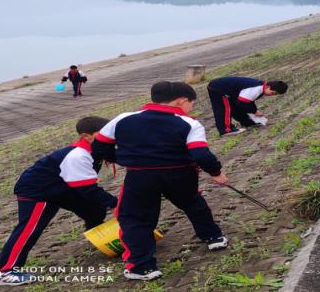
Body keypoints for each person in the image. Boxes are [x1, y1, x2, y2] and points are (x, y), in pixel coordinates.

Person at [92, 81, 229, 281]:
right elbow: (200, 153)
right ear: (181, 101)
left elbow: (100, 148)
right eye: (191, 103)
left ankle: (142, 267)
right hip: (180, 174)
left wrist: (125, 159)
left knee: (136, 219)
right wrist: (216, 173)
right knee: (193, 203)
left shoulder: (123, 118)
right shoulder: (189, 123)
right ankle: (213, 237)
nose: (191, 108)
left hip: (140, 176)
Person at [0, 117, 118, 286]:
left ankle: (99, 238)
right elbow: (87, 189)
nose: (108, 137)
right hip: (38, 191)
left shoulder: (96, 150)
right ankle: (6, 271)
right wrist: (115, 203)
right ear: (86, 136)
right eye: (102, 134)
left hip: (64, 187)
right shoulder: (77, 155)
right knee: (29, 229)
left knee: (94, 209)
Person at [207, 77, 288, 136]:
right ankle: (225, 130)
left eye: (275, 94)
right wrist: (255, 111)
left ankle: (247, 123)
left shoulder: (261, 87)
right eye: (273, 93)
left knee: (236, 106)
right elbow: (242, 102)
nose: (272, 95)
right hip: (218, 88)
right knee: (224, 109)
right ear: (268, 87)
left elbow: (247, 101)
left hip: (226, 89)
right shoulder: (257, 88)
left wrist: (254, 110)